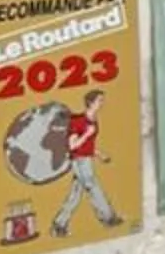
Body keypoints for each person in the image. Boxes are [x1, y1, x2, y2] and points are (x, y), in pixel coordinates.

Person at [51, 88, 122, 235]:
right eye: (99, 100)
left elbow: (88, 145)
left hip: (86, 158)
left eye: (102, 100)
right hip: (79, 161)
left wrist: (99, 154)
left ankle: (59, 224)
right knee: (93, 187)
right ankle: (108, 217)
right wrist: (86, 134)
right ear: (90, 102)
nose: (102, 103)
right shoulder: (79, 122)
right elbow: (73, 145)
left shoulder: (93, 121)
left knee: (76, 193)